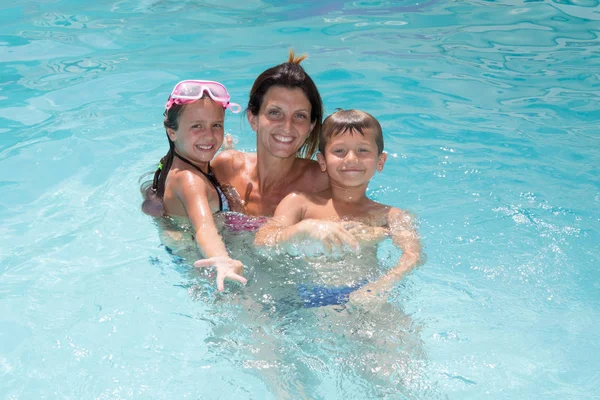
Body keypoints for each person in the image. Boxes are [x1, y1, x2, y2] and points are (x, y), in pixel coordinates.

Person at [254, 109, 423, 305]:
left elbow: (413, 255)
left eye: (363, 150)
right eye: (339, 151)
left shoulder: (390, 216)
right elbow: (262, 241)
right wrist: (303, 229)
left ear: (380, 161)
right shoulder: (300, 203)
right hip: (298, 297)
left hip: (362, 295)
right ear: (323, 161)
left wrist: (381, 286)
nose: (351, 158)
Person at [140, 80, 247, 291]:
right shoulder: (190, 180)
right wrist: (221, 259)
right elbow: (204, 226)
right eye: (196, 126)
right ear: (172, 132)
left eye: (216, 125)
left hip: (190, 257)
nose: (208, 135)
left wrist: (225, 149)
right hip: (206, 266)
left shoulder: (178, 165)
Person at [211, 51, 329, 218]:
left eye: (300, 116)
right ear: (253, 119)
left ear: (311, 126)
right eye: (275, 112)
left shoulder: (324, 183)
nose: (287, 127)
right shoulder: (226, 170)